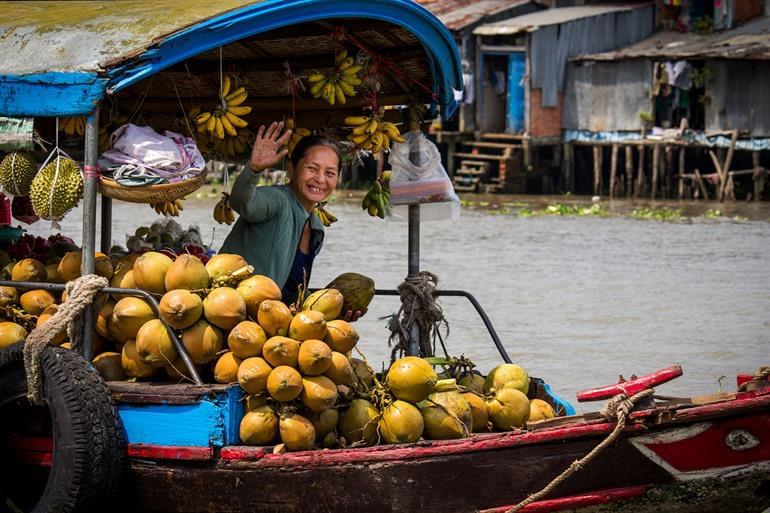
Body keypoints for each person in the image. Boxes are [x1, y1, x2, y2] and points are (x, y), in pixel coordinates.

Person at [220, 121, 365, 321]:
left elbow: (291, 290)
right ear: (292, 168)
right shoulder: (278, 200)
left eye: (329, 173)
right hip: (229, 312)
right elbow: (243, 203)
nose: (321, 179)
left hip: (268, 323)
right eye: (312, 169)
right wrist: (253, 169)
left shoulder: (316, 228)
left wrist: (333, 310)